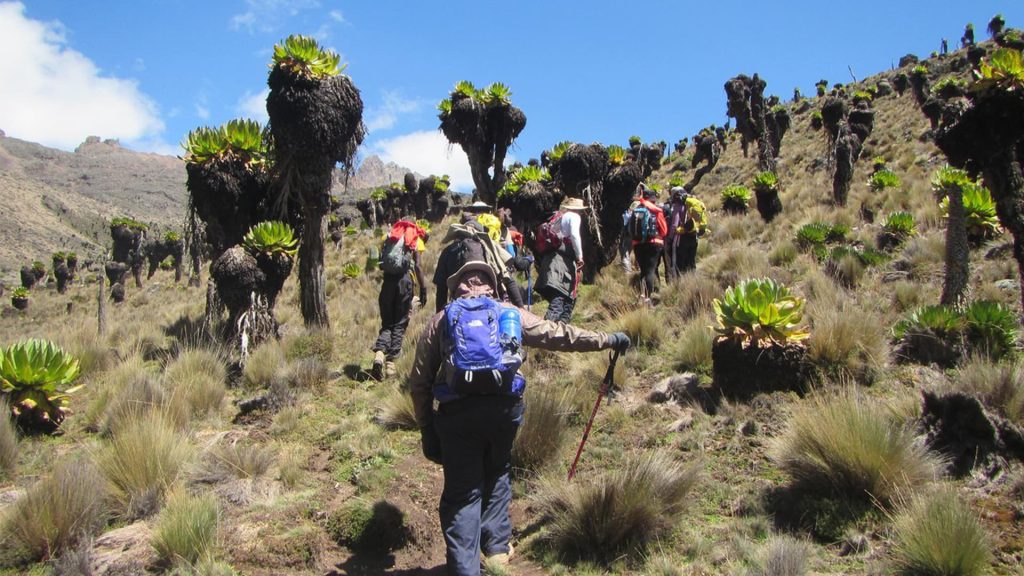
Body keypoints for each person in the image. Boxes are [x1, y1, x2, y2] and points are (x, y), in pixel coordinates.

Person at [409, 260, 631, 576]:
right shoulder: (507, 313)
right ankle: (497, 549)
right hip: (503, 411)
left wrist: (426, 427)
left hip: (457, 418)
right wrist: (607, 339)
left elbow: (419, 380)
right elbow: (556, 334)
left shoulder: (443, 319)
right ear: (492, 284)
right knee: (498, 471)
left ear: (455, 287)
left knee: (463, 494)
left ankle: (464, 569)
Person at [372, 218, 428, 380]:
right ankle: (390, 366)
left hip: (388, 282)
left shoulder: (389, 236)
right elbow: (417, 265)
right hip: (405, 283)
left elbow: (381, 260)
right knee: (400, 323)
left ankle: (379, 355)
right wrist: (423, 289)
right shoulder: (414, 237)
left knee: (387, 322)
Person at [433, 220, 525, 312]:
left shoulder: (448, 251)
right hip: (488, 302)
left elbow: (441, 289)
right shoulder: (489, 248)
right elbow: (508, 280)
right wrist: (521, 309)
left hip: (461, 304)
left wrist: (439, 317)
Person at [536, 197, 586, 323]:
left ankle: (557, 331)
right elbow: (575, 235)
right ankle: (548, 331)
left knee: (560, 295)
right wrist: (580, 256)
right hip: (563, 260)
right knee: (561, 296)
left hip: (551, 258)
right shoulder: (574, 216)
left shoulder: (557, 217)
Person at [629, 187, 668, 299]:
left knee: (643, 271)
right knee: (650, 271)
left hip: (637, 244)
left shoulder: (636, 210)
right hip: (653, 243)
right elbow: (664, 231)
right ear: (653, 199)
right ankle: (647, 298)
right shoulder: (656, 210)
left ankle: (642, 294)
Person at [664, 186, 707, 278]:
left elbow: (675, 224)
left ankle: (678, 285)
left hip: (680, 238)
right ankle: (692, 283)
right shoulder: (693, 203)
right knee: (691, 262)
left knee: (679, 264)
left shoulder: (678, 206)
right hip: (693, 237)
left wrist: (670, 238)